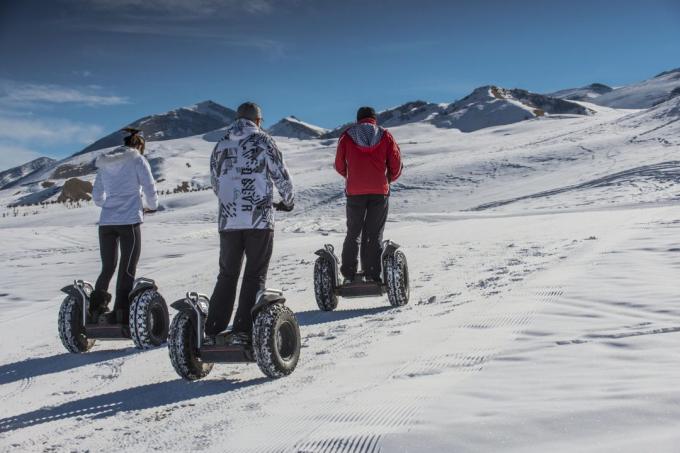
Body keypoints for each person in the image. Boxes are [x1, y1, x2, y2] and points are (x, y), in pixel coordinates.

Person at [205, 102, 294, 346]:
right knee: (254, 274)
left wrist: (230, 203)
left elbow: (215, 182)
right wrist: (288, 201)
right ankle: (243, 330)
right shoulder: (264, 141)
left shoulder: (220, 144)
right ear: (257, 121)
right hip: (259, 220)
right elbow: (281, 175)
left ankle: (213, 329)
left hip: (229, 221)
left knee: (227, 274)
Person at [90, 129, 159, 324]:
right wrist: (151, 207)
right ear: (138, 145)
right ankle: (120, 313)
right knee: (127, 268)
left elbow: (97, 196)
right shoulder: (137, 159)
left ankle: (95, 311)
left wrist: (110, 205)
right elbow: (149, 187)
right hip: (128, 221)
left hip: (106, 223)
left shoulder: (105, 163)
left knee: (107, 267)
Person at [335, 106, 402, 284]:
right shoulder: (385, 135)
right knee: (374, 233)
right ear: (374, 119)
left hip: (355, 192)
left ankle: (349, 275)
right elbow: (396, 164)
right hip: (379, 191)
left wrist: (352, 177)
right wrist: (388, 179)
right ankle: (372, 274)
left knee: (353, 232)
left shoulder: (347, 136)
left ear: (358, 119)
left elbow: (339, 165)